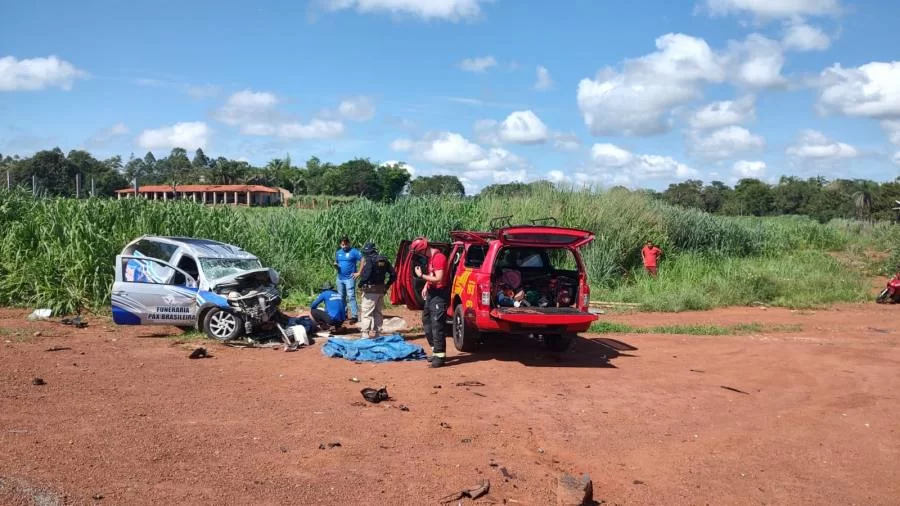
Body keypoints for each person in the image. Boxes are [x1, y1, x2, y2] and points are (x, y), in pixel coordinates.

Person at [410, 237, 450, 368]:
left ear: (422, 250)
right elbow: (432, 275)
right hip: (432, 293)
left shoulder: (439, 258)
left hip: (440, 294)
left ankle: (440, 356)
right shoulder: (430, 259)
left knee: (437, 324)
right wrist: (426, 285)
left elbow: (438, 278)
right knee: (426, 320)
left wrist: (421, 276)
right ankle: (435, 350)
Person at [356, 242, 397, 338]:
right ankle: (377, 333)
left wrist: (361, 284)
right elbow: (394, 275)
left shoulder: (370, 260)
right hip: (381, 290)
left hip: (370, 290)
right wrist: (387, 285)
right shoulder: (384, 260)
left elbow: (367, 274)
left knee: (366, 313)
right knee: (378, 312)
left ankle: (365, 334)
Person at [334, 236, 361, 324]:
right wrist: (336, 266)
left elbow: (363, 260)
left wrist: (359, 272)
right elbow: (338, 264)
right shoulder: (338, 253)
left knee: (351, 296)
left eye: (346, 244)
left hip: (350, 278)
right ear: (340, 245)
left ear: (349, 243)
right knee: (341, 297)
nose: (344, 246)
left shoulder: (354, 251)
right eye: (342, 245)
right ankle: (344, 314)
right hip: (340, 278)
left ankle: (354, 316)